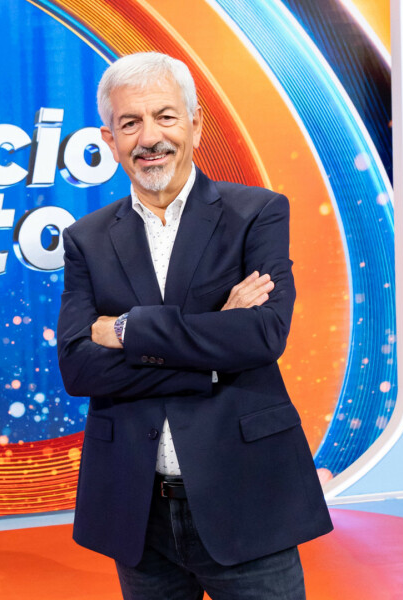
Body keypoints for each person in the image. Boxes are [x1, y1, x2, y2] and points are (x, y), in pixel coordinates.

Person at [56, 52, 333, 599]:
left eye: (165, 116)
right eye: (130, 123)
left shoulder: (256, 213)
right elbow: (79, 367)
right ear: (110, 140)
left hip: (248, 498)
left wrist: (128, 331)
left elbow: (262, 335)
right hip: (139, 512)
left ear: (195, 124)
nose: (149, 138)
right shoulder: (85, 238)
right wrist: (209, 353)